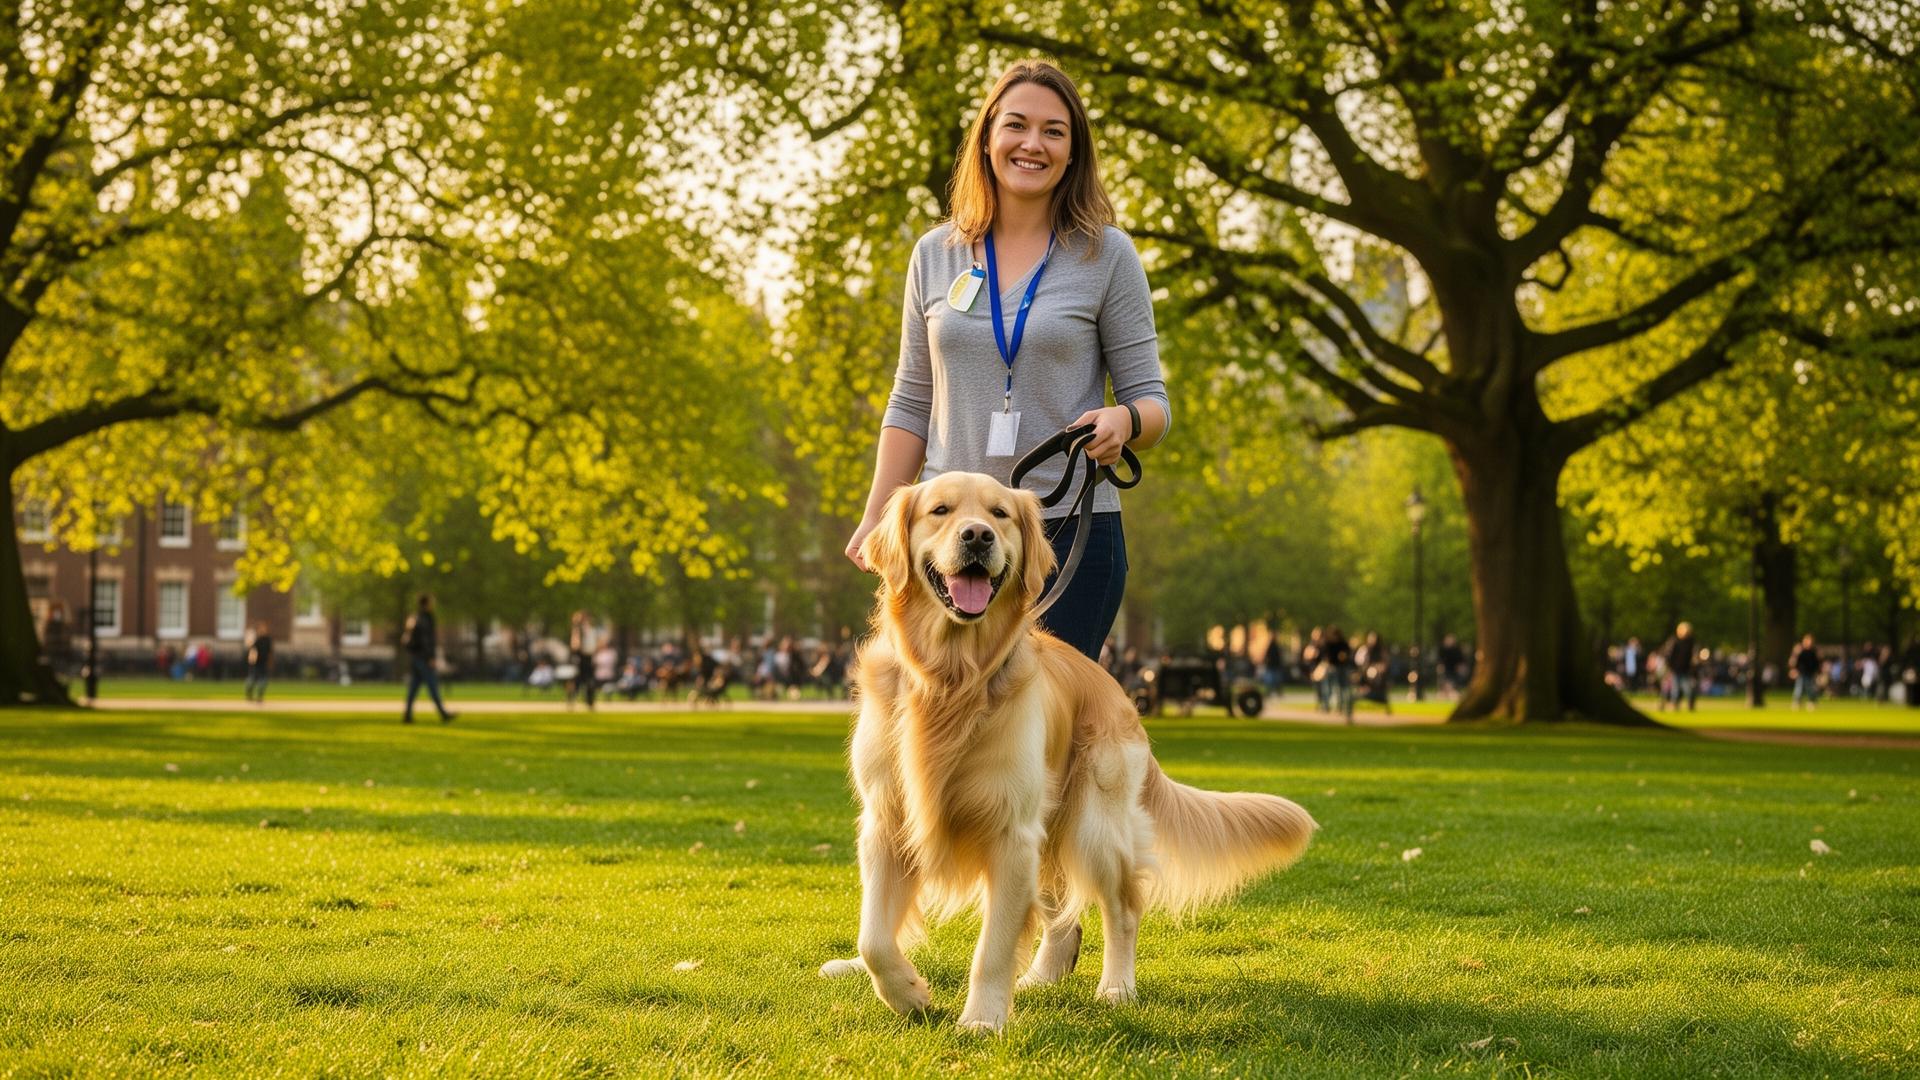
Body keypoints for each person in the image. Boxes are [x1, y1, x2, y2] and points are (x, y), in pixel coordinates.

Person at [843, 59, 1171, 663]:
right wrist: (875, 519)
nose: (1032, 144)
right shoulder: (935, 254)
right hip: (945, 532)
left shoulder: (1108, 256)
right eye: (1016, 125)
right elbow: (911, 402)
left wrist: (1124, 422)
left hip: (1064, 536)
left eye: (1054, 131)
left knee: (1043, 720)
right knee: (942, 714)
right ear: (988, 137)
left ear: (1073, 152)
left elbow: (1153, 404)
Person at [401, 593, 455, 724]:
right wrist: (430, 657)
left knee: (414, 687)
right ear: (427, 604)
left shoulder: (415, 617)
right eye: (432, 602)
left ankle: (407, 715)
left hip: (416, 657)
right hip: (423, 658)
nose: (433, 605)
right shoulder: (426, 619)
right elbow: (426, 641)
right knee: (432, 685)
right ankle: (443, 713)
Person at [1659, 622, 1700, 712]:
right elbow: (1669, 655)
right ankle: (1674, 705)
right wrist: (1669, 666)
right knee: (1675, 688)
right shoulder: (1674, 641)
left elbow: (1694, 656)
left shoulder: (1691, 642)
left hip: (1685, 670)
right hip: (1675, 669)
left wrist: (1693, 665)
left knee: (1687, 688)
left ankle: (1690, 704)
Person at [567, 610, 598, 712]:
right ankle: (571, 701)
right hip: (580, 657)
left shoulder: (591, 630)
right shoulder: (577, 630)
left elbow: (594, 646)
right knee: (576, 681)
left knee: (590, 682)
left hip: (588, 658)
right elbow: (574, 645)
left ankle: (590, 703)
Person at [1789, 632, 1822, 711]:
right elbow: (1793, 661)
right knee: (1799, 688)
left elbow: (1817, 663)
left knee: (1810, 688)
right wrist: (1793, 670)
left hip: (1810, 673)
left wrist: (1818, 672)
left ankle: (1812, 702)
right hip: (1801, 672)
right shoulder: (1799, 650)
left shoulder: (1814, 651)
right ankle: (1797, 702)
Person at [243, 620, 273, 704]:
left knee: (263, 681)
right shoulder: (258, 639)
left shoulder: (268, 640)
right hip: (256, 663)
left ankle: (259, 697)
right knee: (252, 680)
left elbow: (270, 652)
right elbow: (251, 649)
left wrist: (270, 662)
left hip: (263, 663)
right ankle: (249, 695)